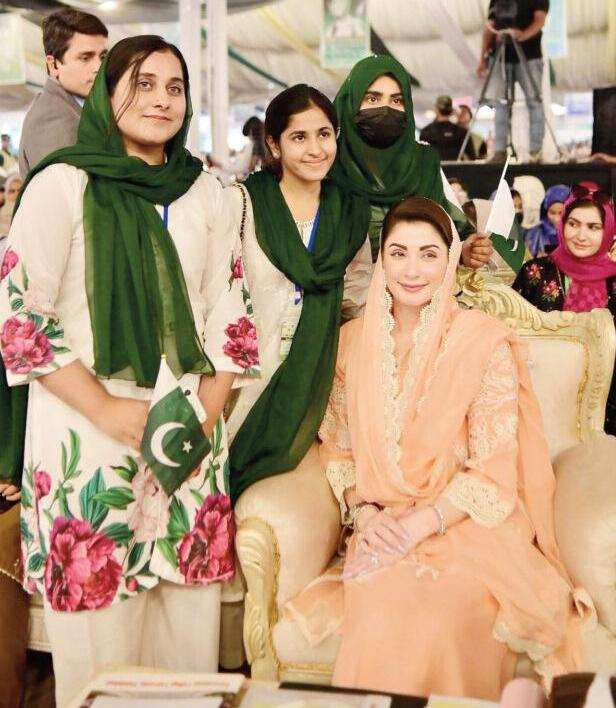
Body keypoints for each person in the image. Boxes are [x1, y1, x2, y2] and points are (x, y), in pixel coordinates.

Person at [0, 35, 258, 706]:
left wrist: (206, 413)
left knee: (185, 637)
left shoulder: (209, 193)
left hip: (187, 432)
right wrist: (106, 409)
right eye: (143, 84)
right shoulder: (62, 184)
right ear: (107, 95)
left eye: (174, 88)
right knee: (100, 640)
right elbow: (21, 314)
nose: (161, 100)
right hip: (88, 432)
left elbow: (229, 306)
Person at [284, 195, 590, 701]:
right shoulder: (351, 344)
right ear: (381, 260)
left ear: (449, 259)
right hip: (383, 525)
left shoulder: (484, 341)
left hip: (469, 526)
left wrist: (422, 524)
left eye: (428, 254)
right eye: (398, 253)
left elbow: (494, 467)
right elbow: (338, 449)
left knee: (441, 616)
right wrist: (368, 516)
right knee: (379, 612)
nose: (412, 270)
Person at [226, 84, 371, 503]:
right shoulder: (243, 204)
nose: (315, 149)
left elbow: (356, 302)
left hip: (314, 384)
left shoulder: (349, 212)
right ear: (274, 144)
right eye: (299, 137)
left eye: (324, 134)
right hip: (243, 387)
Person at [330, 54, 492, 268]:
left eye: (396, 100)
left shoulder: (423, 164)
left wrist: (467, 250)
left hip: (418, 283)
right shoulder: (328, 165)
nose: (386, 109)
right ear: (351, 102)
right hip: (346, 287)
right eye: (372, 99)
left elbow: (454, 229)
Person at [513, 184, 616, 435]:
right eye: (573, 224)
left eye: (593, 227)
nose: (581, 235)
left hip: (607, 410)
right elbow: (510, 334)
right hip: (539, 404)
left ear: (608, 231)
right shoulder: (535, 273)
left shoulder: (614, 282)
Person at [18, 8, 108, 176]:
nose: (99, 67)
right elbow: (62, 189)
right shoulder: (52, 119)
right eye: (85, 58)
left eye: (102, 57)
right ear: (53, 65)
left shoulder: (71, 107)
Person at [477, 0, 549, 163]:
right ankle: (500, 150)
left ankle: (536, 151)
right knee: (500, 104)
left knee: (534, 101)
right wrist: (482, 59)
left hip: (529, 56)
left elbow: (540, 20)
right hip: (501, 57)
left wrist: (522, 35)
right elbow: (489, 27)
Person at [419, 95, 475, 161]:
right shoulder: (462, 132)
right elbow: (473, 158)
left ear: (436, 109)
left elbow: (420, 158)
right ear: (451, 110)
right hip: (455, 167)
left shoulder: (426, 132)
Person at [524, 184, 569, 257]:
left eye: (561, 213)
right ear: (546, 211)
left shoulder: (577, 232)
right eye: (552, 213)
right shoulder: (534, 234)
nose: (557, 219)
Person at [0, 173, 22, 241]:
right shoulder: (2, 215)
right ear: (6, 193)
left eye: (19, 190)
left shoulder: (30, 209)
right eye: (12, 191)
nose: (16, 194)